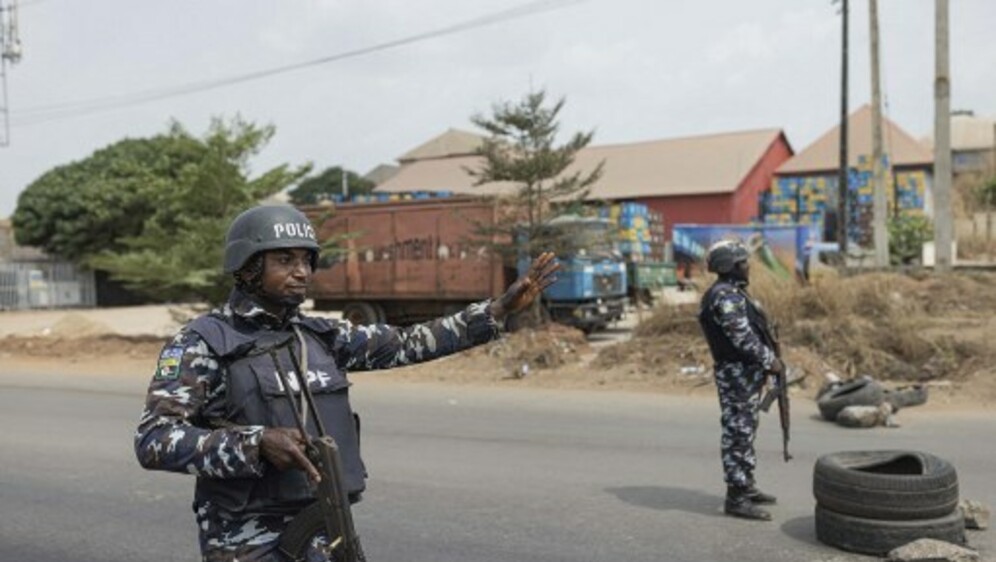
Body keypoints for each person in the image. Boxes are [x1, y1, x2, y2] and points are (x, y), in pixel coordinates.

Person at [134, 204, 559, 561]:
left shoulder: (320, 337)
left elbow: (407, 343)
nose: (301, 272)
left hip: (322, 529)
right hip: (245, 540)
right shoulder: (204, 343)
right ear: (247, 267)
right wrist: (254, 443)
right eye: (285, 260)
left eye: (306, 260)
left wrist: (497, 311)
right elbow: (154, 440)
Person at [697, 239, 784, 521]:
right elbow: (741, 337)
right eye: (742, 262)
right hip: (736, 373)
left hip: (743, 373)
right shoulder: (725, 296)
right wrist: (770, 360)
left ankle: (745, 485)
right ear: (729, 266)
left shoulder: (733, 292)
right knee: (737, 433)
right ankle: (736, 497)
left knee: (745, 431)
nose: (747, 267)